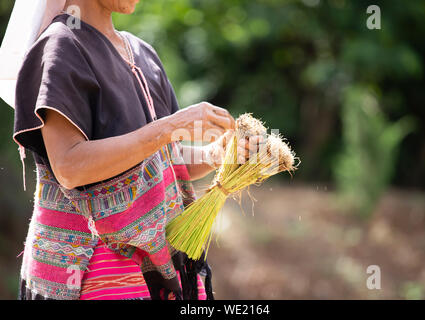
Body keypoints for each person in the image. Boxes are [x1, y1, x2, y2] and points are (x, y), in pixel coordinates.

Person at [11, 0, 262, 300]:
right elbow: (69, 166)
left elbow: (164, 161)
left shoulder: (143, 53)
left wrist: (216, 155)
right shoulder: (62, 45)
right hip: (91, 279)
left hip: (157, 272)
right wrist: (168, 127)